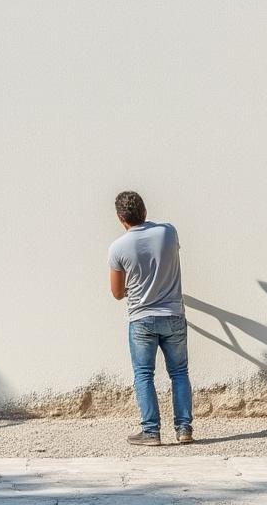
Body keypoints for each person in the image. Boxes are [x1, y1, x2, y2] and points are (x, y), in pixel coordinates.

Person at [107, 190, 193, 446]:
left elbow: (117, 293)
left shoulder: (118, 248)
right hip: (173, 315)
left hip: (141, 318)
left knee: (144, 374)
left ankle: (151, 431)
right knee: (179, 372)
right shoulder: (169, 232)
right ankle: (184, 428)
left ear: (121, 219)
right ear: (145, 211)